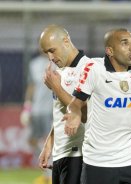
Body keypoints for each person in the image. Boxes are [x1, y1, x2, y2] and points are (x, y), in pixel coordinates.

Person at [62, 28, 131, 184]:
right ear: (110, 51)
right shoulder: (94, 68)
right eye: (124, 43)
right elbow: (75, 103)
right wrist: (74, 114)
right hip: (99, 162)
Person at [38, 24, 89, 184]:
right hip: (60, 154)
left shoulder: (88, 68)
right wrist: (49, 144)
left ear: (66, 41)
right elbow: (62, 112)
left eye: (52, 50)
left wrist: (57, 88)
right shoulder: (60, 72)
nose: (50, 58)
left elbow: (87, 113)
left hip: (78, 154)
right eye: (46, 53)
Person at [20, 54, 53, 184]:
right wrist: (27, 107)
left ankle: (51, 176)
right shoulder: (35, 64)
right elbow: (31, 85)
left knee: (48, 141)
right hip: (36, 109)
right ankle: (47, 172)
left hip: (50, 109)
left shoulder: (57, 63)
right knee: (32, 141)